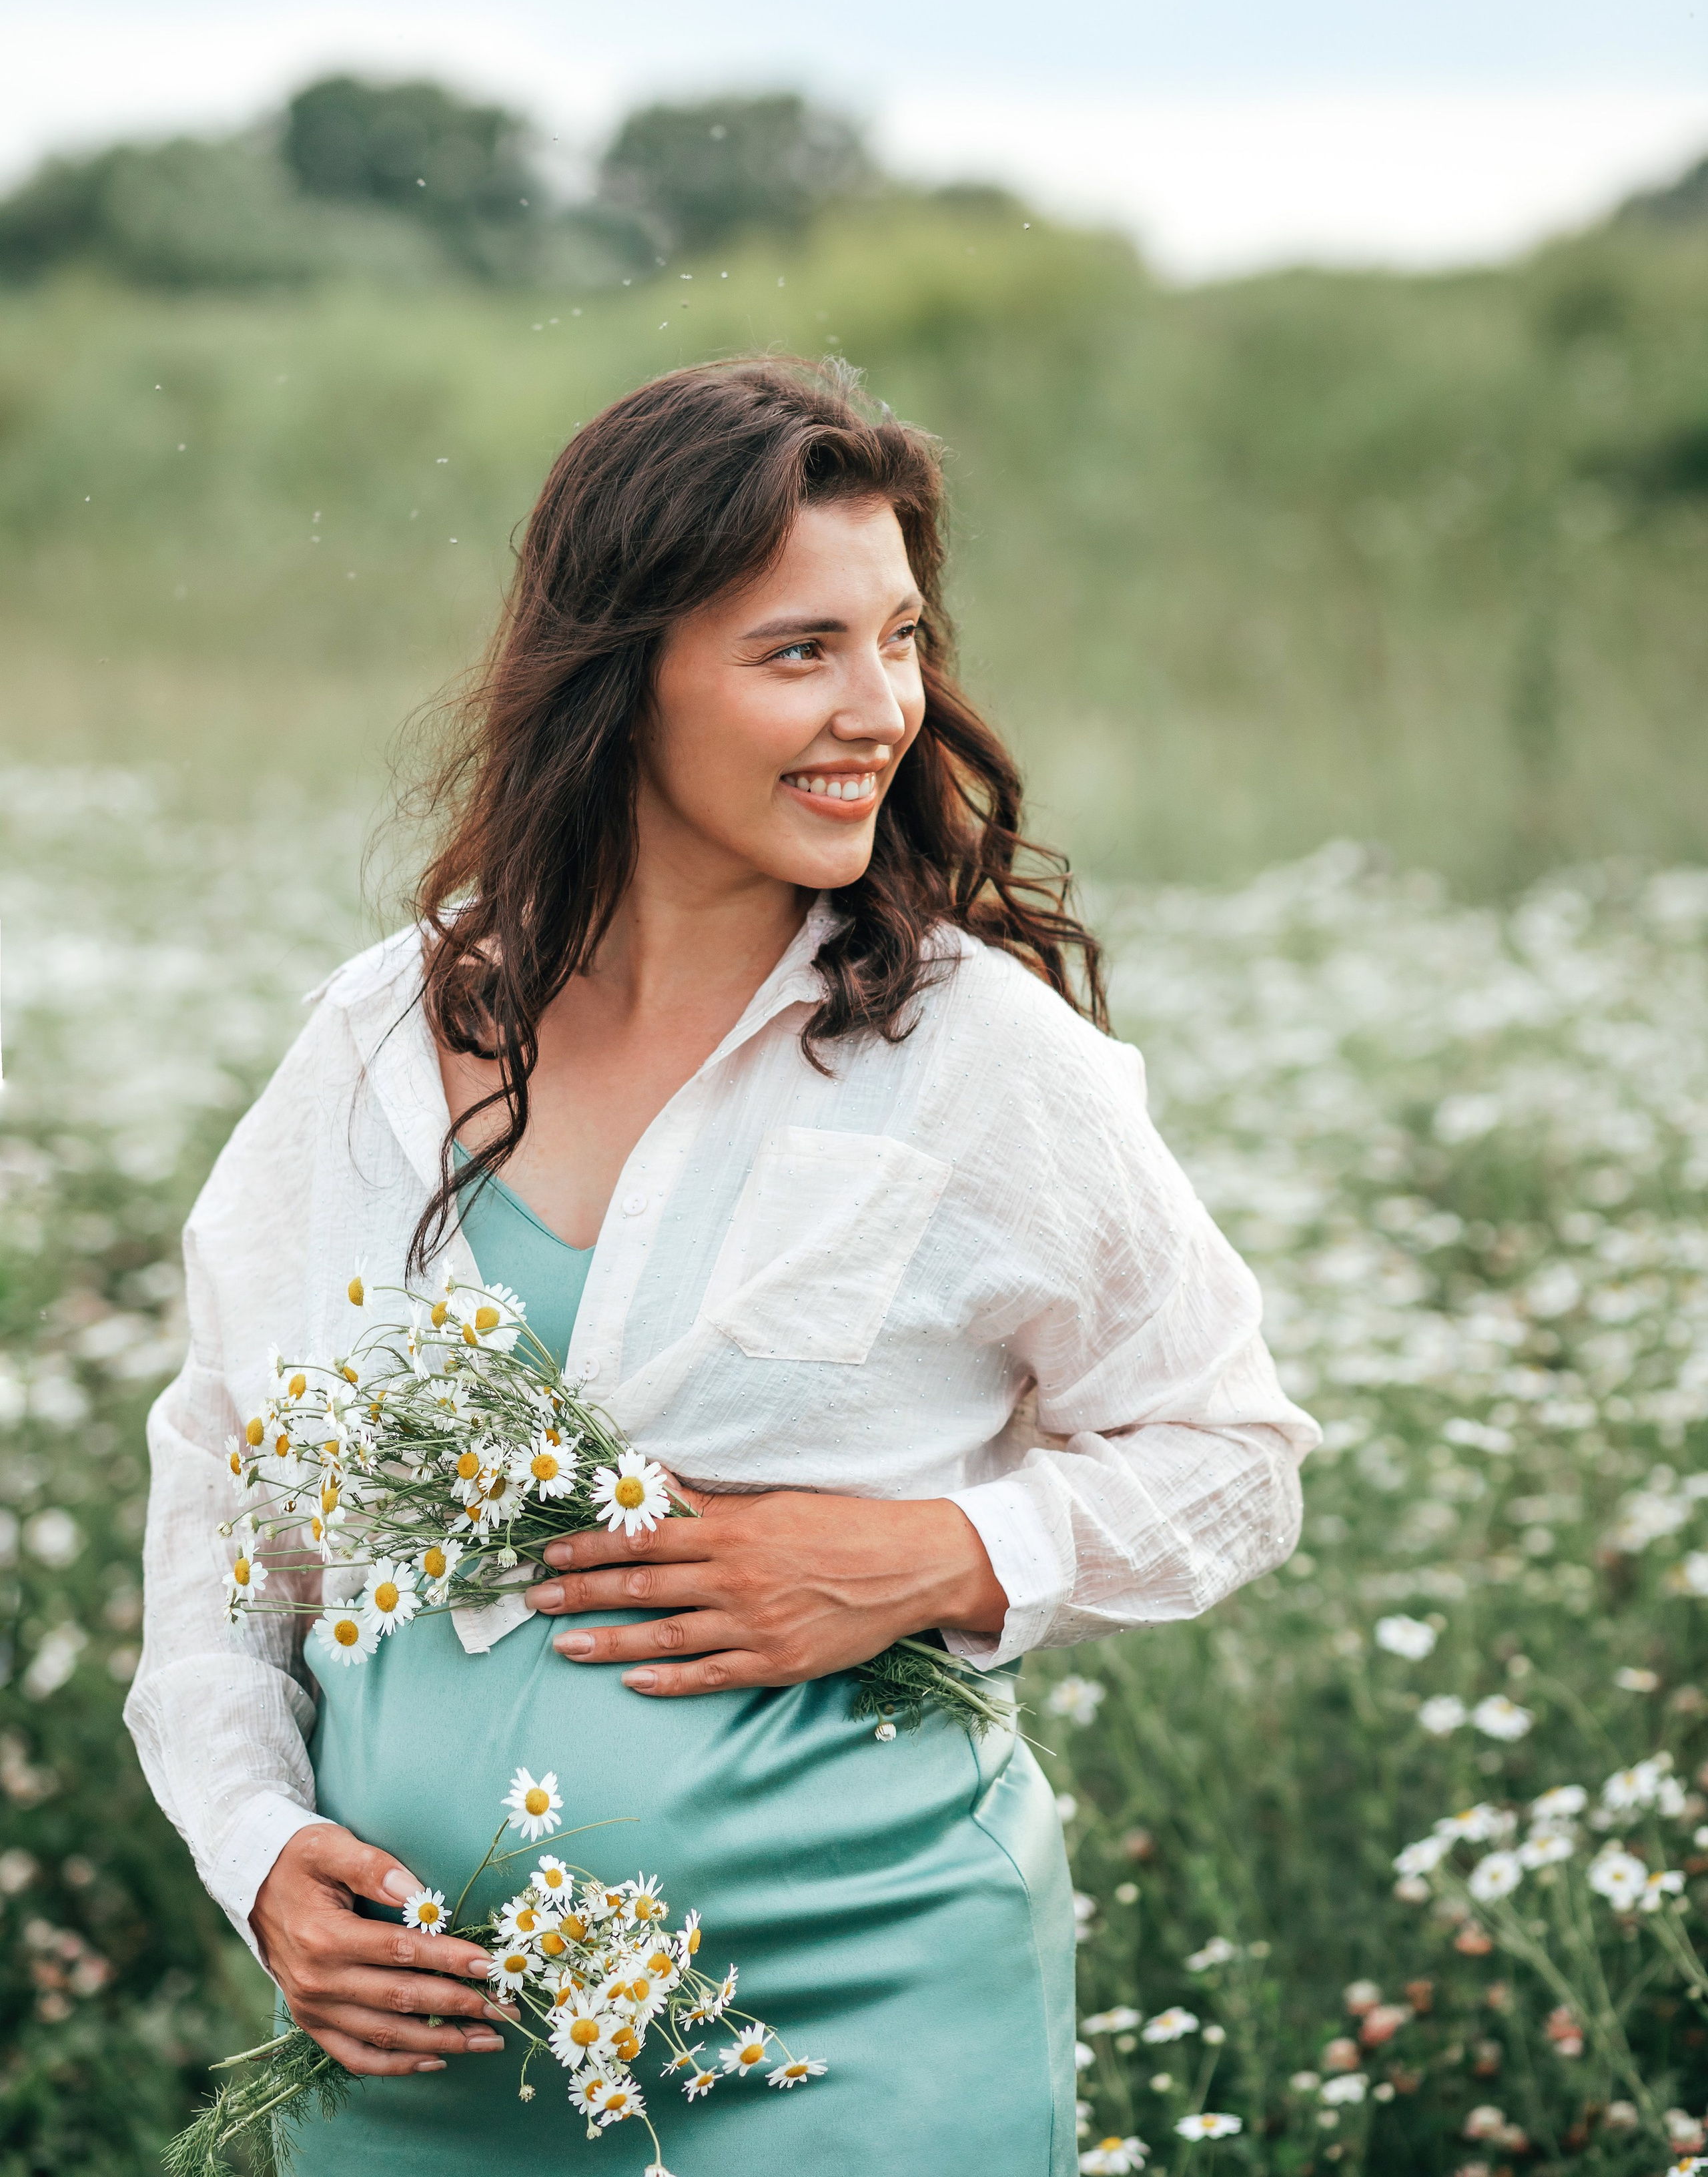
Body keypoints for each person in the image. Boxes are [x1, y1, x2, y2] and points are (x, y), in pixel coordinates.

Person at [127, 356, 1317, 2176]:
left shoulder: (979, 1060)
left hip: (870, 2030)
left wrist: (940, 1552)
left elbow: (1233, 1455)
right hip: (431, 2052)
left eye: (901, 638)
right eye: (799, 653)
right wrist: (260, 1850)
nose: (883, 710)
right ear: (622, 680)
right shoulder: (374, 1042)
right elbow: (226, 1481)